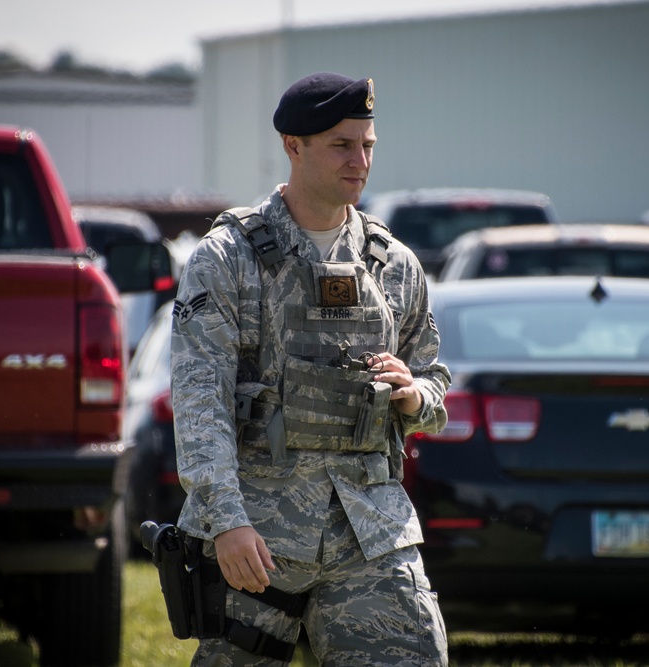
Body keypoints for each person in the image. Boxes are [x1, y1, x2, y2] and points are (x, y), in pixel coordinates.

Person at [170, 71, 451, 666]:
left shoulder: (394, 265)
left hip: (370, 536)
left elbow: (434, 378)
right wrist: (225, 523)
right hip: (259, 540)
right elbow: (200, 405)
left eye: (368, 144)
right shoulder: (228, 259)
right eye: (342, 145)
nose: (360, 160)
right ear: (292, 145)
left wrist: (414, 395)